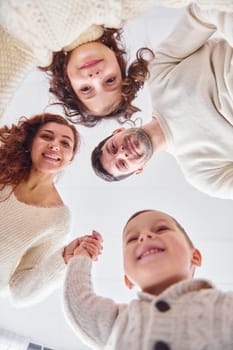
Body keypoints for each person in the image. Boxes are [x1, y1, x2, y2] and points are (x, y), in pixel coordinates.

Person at [0, 2, 231, 127]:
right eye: (110, 80)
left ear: (67, 82)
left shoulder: (29, 47)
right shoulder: (118, 6)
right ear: (119, 63)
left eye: (86, 89)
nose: (95, 77)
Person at [91, 3, 233, 200]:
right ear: (139, 170)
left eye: (113, 147)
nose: (122, 152)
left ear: (117, 132)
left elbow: (203, 12)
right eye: (122, 163)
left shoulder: (157, 74)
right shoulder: (202, 175)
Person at [63, 209, 233, 350]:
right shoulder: (121, 321)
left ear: (194, 256)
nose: (144, 236)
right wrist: (81, 257)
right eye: (132, 239)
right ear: (128, 279)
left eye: (161, 229)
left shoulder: (224, 305)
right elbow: (79, 304)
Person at [0, 112, 102, 307]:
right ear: (30, 144)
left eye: (65, 143)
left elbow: (20, 293)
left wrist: (64, 259)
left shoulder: (58, 219)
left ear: (70, 158)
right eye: (46, 136)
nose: (55, 145)